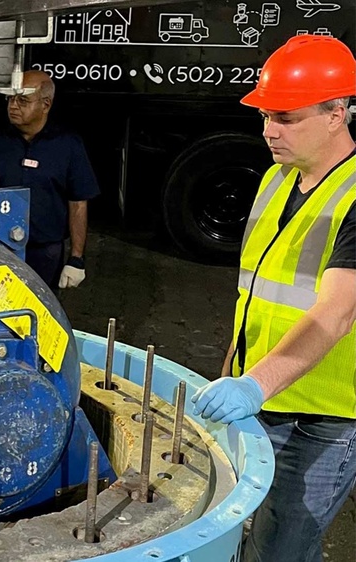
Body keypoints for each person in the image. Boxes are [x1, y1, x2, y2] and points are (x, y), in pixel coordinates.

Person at [190, 35, 356, 562]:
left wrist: (253, 385)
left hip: (326, 419)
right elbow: (254, 297)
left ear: (337, 113)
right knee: (244, 532)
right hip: (262, 397)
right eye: (265, 115)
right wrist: (232, 369)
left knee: (281, 550)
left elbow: (337, 312)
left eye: (286, 117)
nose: (269, 130)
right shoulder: (274, 180)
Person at [0, 70, 99, 292]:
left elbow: (78, 202)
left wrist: (76, 258)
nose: (13, 106)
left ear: (46, 104)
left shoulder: (68, 145)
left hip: (44, 253)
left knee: (39, 315)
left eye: (23, 100)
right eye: (10, 98)